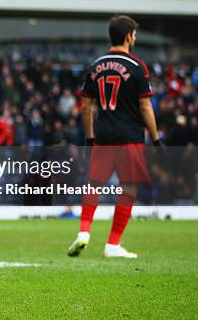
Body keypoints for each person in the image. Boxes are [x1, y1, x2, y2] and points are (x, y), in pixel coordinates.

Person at [68, 15, 163, 259]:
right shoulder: (137, 66)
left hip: (103, 135)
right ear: (128, 36)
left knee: (94, 184)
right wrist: (155, 138)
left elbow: (87, 106)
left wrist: (89, 137)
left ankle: (83, 232)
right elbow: (145, 107)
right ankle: (112, 244)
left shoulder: (95, 65)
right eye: (135, 35)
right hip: (129, 136)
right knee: (129, 187)